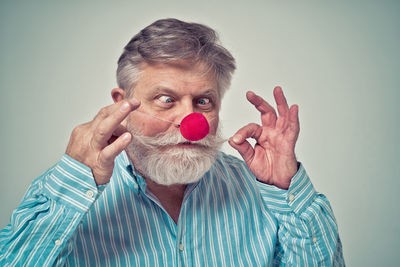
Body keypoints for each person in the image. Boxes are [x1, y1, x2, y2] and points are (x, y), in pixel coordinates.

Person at [0, 18, 344, 266]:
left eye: (203, 102)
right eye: (165, 99)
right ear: (122, 104)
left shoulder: (259, 190)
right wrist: (73, 181)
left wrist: (286, 189)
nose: (190, 123)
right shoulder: (71, 196)